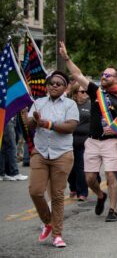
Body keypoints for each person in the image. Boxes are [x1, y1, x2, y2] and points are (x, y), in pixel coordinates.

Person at [59, 41, 117, 223]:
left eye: (108, 74)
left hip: (110, 142)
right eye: (103, 74)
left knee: (111, 175)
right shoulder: (96, 91)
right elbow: (77, 74)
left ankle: (112, 210)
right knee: (90, 178)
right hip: (92, 141)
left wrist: (116, 129)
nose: (104, 76)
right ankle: (100, 195)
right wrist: (67, 58)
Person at [23, 71, 78, 248]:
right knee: (35, 191)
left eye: (58, 84)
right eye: (51, 83)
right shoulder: (38, 103)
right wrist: (32, 118)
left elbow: (70, 127)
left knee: (57, 195)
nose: (54, 86)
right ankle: (48, 222)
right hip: (40, 152)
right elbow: (30, 126)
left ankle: (57, 235)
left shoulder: (70, 104)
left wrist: (49, 124)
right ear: (47, 86)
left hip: (62, 154)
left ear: (65, 88)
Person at [67, 83, 90, 201]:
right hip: (69, 140)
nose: (85, 94)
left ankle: (83, 192)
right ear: (75, 93)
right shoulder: (69, 105)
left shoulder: (90, 105)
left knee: (81, 167)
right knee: (70, 167)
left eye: (85, 91)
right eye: (82, 92)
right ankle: (73, 187)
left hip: (84, 140)